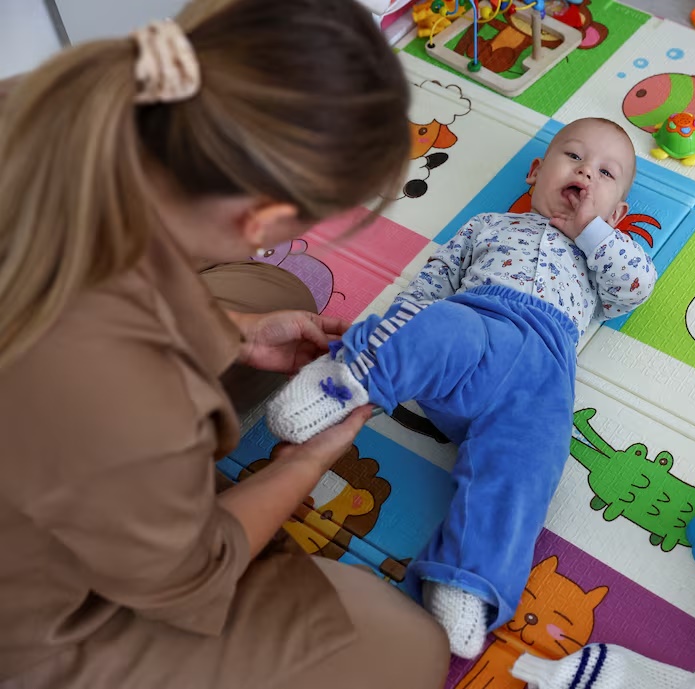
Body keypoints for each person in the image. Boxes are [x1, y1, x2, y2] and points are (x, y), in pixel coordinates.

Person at [0, 1, 451, 687]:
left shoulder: (45, 103)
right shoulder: (116, 390)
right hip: (28, 613)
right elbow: (189, 575)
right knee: (405, 642)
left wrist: (231, 328)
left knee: (277, 296)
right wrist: (305, 461)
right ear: (263, 217)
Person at [266, 117, 658, 659]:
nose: (586, 171)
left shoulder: (605, 253)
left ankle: (466, 577)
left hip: (544, 369)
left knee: (533, 464)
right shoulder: (488, 226)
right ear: (536, 173)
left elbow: (635, 290)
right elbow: (428, 289)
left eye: (606, 172)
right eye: (572, 156)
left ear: (616, 214)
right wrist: (397, 337)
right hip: (478, 323)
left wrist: (593, 232)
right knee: (435, 327)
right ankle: (346, 381)